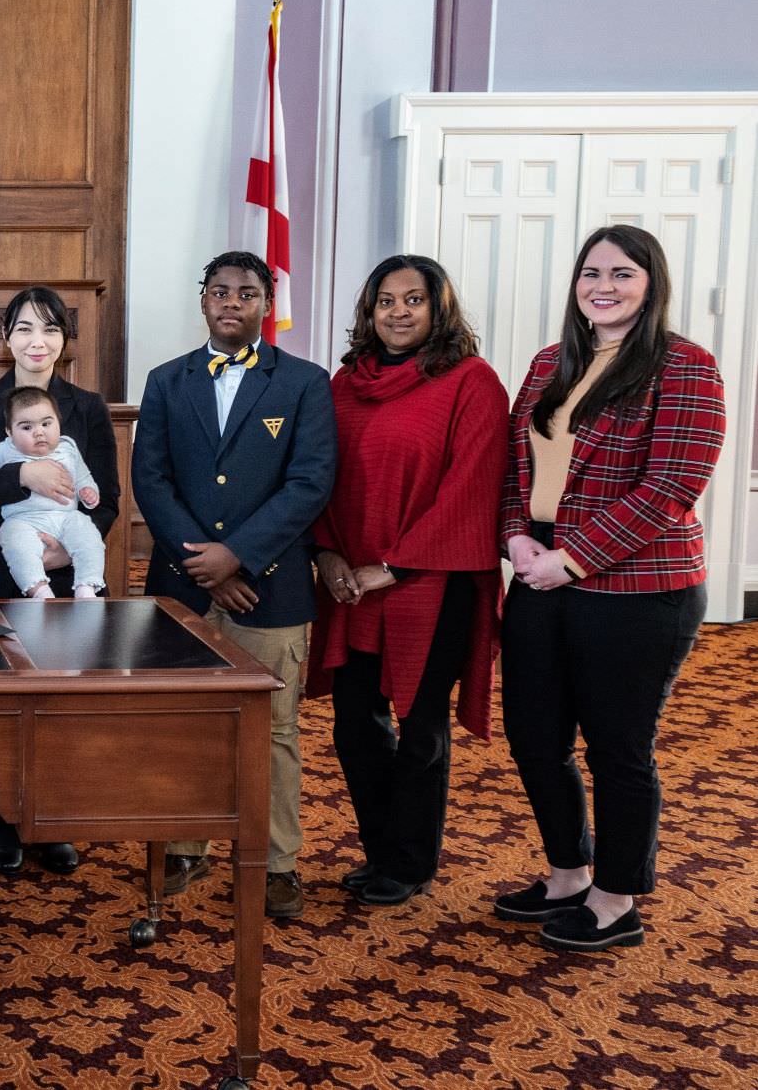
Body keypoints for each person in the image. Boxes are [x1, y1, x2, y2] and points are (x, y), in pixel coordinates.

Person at [495, 224, 724, 952]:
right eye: (590, 272)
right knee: (533, 736)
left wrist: (572, 559)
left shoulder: (683, 365)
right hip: (538, 571)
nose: (603, 285)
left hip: (637, 586)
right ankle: (566, 872)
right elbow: (512, 466)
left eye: (621, 273)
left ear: (649, 283)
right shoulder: (547, 364)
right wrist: (515, 538)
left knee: (617, 746)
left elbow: (669, 487)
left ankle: (615, 896)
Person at [132, 250, 335, 918]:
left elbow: (308, 482)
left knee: (274, 729)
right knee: (186, 722)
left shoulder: (303, 382)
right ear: (202, 300)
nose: (230, 302)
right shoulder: (166, 380)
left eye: (245, 293)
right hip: (182, 588)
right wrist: (206, 567)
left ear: (264, 304)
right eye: (218, 291)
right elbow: (150, 481)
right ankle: (186, 843)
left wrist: (239, 558)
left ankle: (277, 860)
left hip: (270, 588)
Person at [309, 254, 507, 908]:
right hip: (351, 583)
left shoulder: (471, 382)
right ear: (367, 311)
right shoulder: (344, 383)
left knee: (418, 729)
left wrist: (391, 567)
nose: (396, 311)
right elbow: (323, 476)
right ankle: (380, 852)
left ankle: (409, 860)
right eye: (384, 300)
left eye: (412, 299)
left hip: (429, 580)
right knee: (353, 724)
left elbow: (470, 488)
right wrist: (329, 554)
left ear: (438, 307)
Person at [0, 284, 117, 876]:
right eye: (23, 328)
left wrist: (66, 556)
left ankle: (53, 821)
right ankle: (1, 818)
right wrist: (27, 473)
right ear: (6, 337)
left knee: (59, 700)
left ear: (65, 340)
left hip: (67, 572)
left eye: (49, 328)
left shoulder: (87, 407)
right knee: (2, 698)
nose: (36, 341)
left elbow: (107, 497)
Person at [0, 385, 105, 598]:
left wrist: (88, 492)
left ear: (58, 422)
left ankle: (87, 586)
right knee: (14, 540)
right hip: (25, 520)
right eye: (26, 427)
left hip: (66, 517)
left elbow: (83, 476)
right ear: (10, 432)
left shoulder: (68, 447)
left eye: (47, 423)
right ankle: (38, 589)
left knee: (89, 535)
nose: (39, 432)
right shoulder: (6, 449)